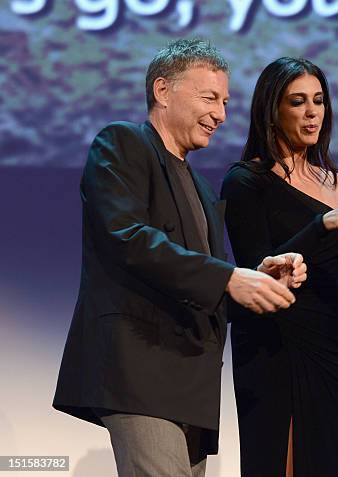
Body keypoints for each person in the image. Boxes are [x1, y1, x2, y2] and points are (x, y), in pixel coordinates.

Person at [52, 39, 307, 477]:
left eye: (226, 102)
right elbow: (127, 237)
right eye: (210, 98)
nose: (222, 114)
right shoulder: (123, 142)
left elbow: (203, 281)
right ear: (163, 90)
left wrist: (256, 277)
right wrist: (228, 278)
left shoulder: (205, 191)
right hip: (140, 369)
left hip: (193, 384)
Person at [221, 57, 338, 477]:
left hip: (330, 348)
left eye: (319, 101)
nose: (312, 113)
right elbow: (256, 274)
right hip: (273, 345)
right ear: (272, 110)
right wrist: (320, 224)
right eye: (297, 102)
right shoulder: (246, 182)